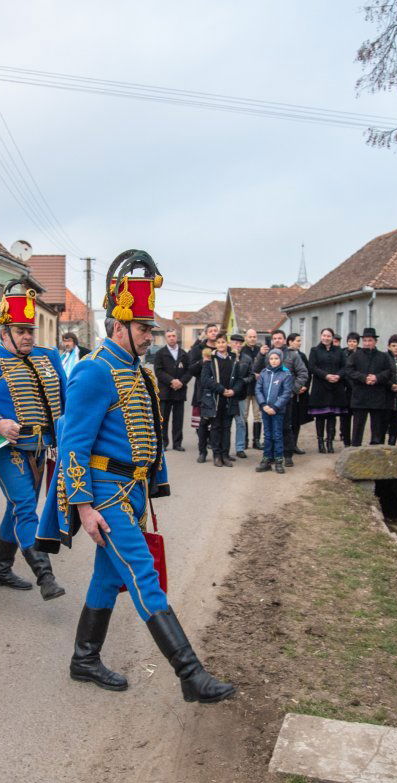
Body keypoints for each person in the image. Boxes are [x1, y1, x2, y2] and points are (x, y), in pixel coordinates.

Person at [37, 249, 235, 704]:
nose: (151, 336)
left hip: (132, 493)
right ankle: (191, 674)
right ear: (118, 326)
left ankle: (84, 659)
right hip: (105, 494)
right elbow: (73, 445)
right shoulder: (93, 371)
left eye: (152, 329)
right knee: (145, 577)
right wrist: (82, 505)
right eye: (145, 329)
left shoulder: (138, 373)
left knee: (108, 579)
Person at [0, 280, 67, 601]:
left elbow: (64, 399)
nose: (28, 337)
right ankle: (45, 576)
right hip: (7, 448)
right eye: (20, 331)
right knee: (24, 506)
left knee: (18, 507)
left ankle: (0, 569)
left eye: (30, 330)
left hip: (40, 447)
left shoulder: (49, 357)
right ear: (4, 332)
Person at [251, 329, 308, 467]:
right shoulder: (268, 354)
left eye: (280, 338)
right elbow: (256, 370)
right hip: (269, 400)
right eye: (274, 338)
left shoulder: (292, 355)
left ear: (284, 340)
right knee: (269, 430)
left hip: (285, 399)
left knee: (285, 427)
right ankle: (270, 456)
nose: (277, 340)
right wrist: (260, 354)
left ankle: (287, 455)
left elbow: (303, 373)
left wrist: (292, 390)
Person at [199, 333, 242, 468]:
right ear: (215, 344)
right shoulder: (210, 360)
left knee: (227, 428)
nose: (221, 345)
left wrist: (233, 390)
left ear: (227, 343)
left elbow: (240, 379)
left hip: (229, 400)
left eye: (223, 342)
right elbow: (205, 380)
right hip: (215, 400)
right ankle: (217, 455)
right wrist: (221, 389)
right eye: (218, 342)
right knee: (216, 428)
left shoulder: (233, 359)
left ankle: (225, 455)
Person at [346, 327, 392, 446]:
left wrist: (376, 377)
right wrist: (363, 378)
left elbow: (388, 372)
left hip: (377, 395)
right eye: (365, 340)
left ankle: (376, 446)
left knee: (377, 425)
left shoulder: (383, 356)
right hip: (360, 395)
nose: (367, 343)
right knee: (358, 425)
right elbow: (349, 371)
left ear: (375, 342)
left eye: (370, 340)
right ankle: (355, 446)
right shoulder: (356, 355)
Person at [309, 327, 349, 453]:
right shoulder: (314, 350)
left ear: (332, 338)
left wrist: (338, 376)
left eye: (329, 336)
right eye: (324, 335)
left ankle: (330, 442)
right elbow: (312, 367)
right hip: (320, 387)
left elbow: (345, 366)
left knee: (332, 416)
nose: (326, 338)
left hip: (335, 387)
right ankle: (320, 442)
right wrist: (326, 375)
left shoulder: (339, 351)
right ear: (321, 336)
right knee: (320, 416)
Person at [254, 349, 293, 473]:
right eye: (271, 358)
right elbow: (258, 389)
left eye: (276, 358)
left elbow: (286, 393)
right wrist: (263, 405)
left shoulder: (286, 374)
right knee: (267, 435)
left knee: (277, 435)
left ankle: (278, 461)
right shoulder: (264, 373)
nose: (274, 361)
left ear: (281, 359)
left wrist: (275, 407)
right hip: (265, 409)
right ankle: (266, 459)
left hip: (278, 411)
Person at [154, 328, 190, 452]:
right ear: (166, 338)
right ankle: (163, 443)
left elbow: (188, 371)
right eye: (169, 336)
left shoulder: (184, 354)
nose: (171, 338)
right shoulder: (160, 353)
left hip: (180, 391)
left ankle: (177, 443)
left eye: (173, 336)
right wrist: (171, 381)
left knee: (178, 419)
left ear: (177, 337)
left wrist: (181, 381)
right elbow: (158, 371)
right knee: (164, 419)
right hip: (165, 392)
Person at [286, 332, 312, 455]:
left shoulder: (302, 355)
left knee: (297, 420)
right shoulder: (284, 355)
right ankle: (287, 445)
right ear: (290, 342)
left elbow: (307, 373)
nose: (299, 343)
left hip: (301, 393)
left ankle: (294, 444)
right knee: (288, 420)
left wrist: (304, 387)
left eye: (300, 341)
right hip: (289, 392)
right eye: (297, 340)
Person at [229, 333, 253, 458]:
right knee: (225, 423)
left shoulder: (247, 359)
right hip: (226, 395)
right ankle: (224, 449)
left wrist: (243, 381)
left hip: (241, 395)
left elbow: (252, 375)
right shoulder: (225, 357)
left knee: (241, 422)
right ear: (230, 343)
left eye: (239, 343)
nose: (237, 345)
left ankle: (240, 448)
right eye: (235, 343)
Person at [240, 329, 264, 450]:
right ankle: (244, 441)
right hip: (245, 387)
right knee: (243, 415)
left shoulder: (261, 351)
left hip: (258, 388)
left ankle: (256, 441)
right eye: (250, 337)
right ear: (246, 338)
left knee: (257, 415)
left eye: (254, 337)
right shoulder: (242, 351)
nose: (252, 339)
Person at [195, 346, 215, 462]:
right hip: (204, 397)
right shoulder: (202, 364)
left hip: (216, 396)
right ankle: (202, 452)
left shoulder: (217, 362)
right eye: (205, 356)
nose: (207, 358)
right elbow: (192, 370)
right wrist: (202, 362)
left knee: (216, 426)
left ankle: (219, 453)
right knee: (203, 425)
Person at [340, 332, 360, 447]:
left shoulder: (360, 353)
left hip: (357, 389)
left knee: (357, 417)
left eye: (354, 341)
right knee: (345, 417)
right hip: (345, 389)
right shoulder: (343, 353)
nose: (352, 343)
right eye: (350, 341)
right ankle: (346, 441)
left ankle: (356, 441)